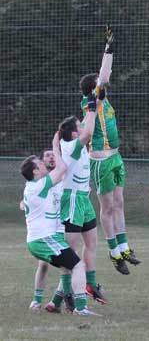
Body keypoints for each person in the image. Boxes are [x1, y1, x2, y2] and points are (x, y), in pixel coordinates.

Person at [79, 25, 140, 275]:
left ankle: (124, 246)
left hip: (115, 157)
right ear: (91, 89)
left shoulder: (104, 99)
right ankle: (114, 252)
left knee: (119, 202)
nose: (104, 84)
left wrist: (110, 53)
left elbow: (105, 76)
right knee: (107, 207)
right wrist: (108, 49)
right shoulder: (91, 100)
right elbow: (104, 75)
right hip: (101, 161)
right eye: (98, 84)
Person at [21, 132, 97, 316]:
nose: (45, 162)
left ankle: (61, 302)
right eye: (40, 163)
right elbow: (62, 168)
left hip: (49, 237)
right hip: (43, 239)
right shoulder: (40, 185)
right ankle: (79, 307)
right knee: (78, 265)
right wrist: (56, 145)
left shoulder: (38, 184)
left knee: (69, 266)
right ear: (35, 172)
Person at [59, 93, 108, 305]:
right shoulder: (70, 146)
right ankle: (66, 294)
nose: (82, 126)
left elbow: (87, 125)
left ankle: (90, 284)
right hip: (71, 200)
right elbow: (87, 131)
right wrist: (93, 108)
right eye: (77, 126)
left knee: (92, 243)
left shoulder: (76, 142)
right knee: (70, 251)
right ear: (73, 133)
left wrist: (94, 102)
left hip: (84, 198)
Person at [26, 148, 73, 313]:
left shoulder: (63, 177)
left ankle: (58, 301)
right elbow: (25, 201)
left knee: (67, 266)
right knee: (44, 265)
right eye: (47, 156)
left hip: (62, 226)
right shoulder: (38, 181)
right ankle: (37, 300)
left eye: (54, 154)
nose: (51, 157)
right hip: (46, 230)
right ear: (40, 162)